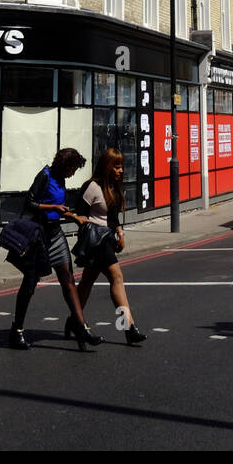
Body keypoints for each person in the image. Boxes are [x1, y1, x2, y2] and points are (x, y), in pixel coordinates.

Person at [10, 147, 94, 351]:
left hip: (55, 235)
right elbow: (29, 203)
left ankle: (81, 327)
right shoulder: (45, 175)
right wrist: (52, 208)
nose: (73, 173)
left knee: (68, 280)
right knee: (30, 283)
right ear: (64, 165)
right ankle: (17, 330)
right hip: (39, 236)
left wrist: (75, 217)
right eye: (72, 168)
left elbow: (60, 209)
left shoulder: (61, 179)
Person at [75, 148, 147, 345]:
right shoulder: (92, 187)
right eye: (116, 166)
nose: (120, 170)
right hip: (95, 242)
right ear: (106, 166)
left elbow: (113, 216)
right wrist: (85, 224)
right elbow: (78, 213)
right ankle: (129, 327)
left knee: (87, 283)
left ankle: (74, 321)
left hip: (107, 240)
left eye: (122, 166)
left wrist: (120, 233)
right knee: (116, 278)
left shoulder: (113, 186)